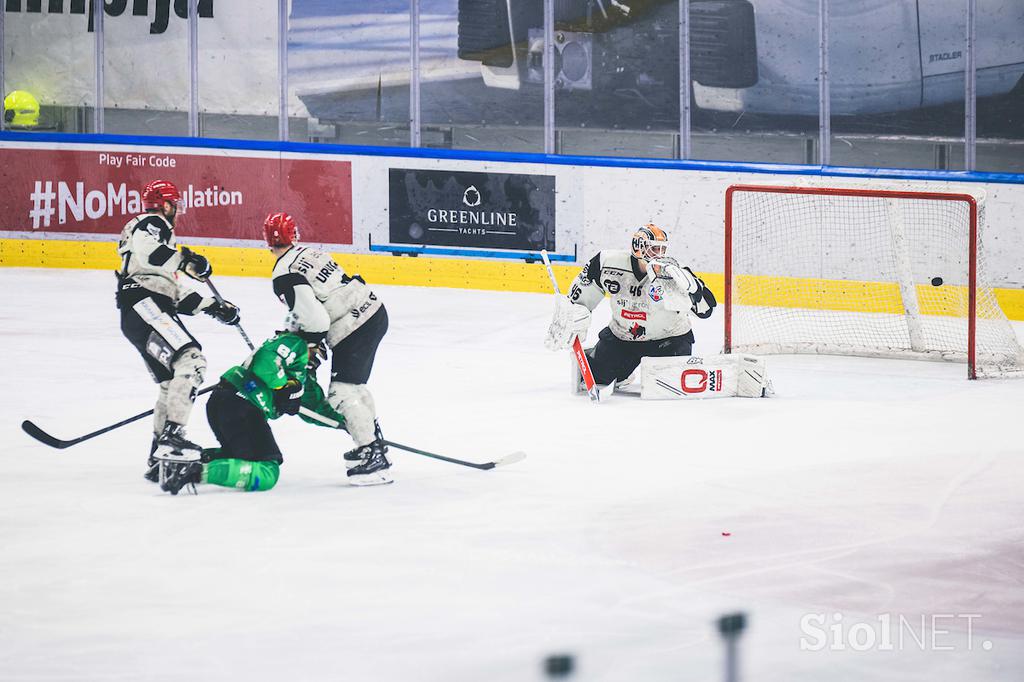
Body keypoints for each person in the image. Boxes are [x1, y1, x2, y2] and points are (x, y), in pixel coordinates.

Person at [115, 179, 240, 480]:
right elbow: (150, 254)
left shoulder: (153, 235)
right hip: (145, 306)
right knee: (192, 362)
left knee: (171, 381)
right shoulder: (153, 222)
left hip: (145, 307)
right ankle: (172, 437)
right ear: (167, 204)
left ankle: (159, 455)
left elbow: (168, 289)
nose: (176, 211)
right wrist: (187, 260)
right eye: (175, 204)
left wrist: (213, 306)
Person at [262, 212, 392, 486]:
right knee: (354, 385)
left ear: (267, 241)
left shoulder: (283, 273)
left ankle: (370, 451)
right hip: (374, 311)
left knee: (341, 393)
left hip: (352, 326)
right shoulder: (312, 252)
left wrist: (308, 345)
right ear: (294, 234)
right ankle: (375, 441)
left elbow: (317, 320)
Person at [157, 330, 351, 495]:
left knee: (239, 460)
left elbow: (315, 409)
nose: (316, 360)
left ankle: (176, 462)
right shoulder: (293, 344)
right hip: (241, 404)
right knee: (267, 473)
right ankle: (191, 470)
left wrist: (348, 422)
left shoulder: (301, 377)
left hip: (227, 402)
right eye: (316, 353)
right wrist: (282, 387)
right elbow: (265, 366)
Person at [545, 223, 717, 387]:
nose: (659, 253)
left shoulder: (674, 273)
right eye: (654, 248)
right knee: (599, 377)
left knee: (668, 385)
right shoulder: (607, 262)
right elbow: (578, 298)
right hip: (623, 338)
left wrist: (695, 290)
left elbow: (706, 311)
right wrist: (573, 316)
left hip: (670, 339)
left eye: (662, 248)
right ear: (638, 247)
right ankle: (600, 357)